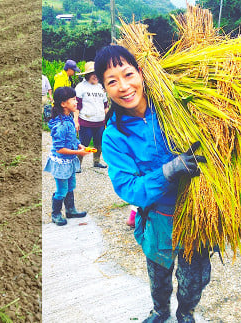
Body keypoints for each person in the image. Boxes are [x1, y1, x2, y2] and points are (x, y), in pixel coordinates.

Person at [95, 45, 210, 323]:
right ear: (104, 89)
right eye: (112, 81)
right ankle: (161, 312)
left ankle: (186, 312)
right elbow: (128, 188)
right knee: (159, 278)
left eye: (128, 74)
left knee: (195, 280)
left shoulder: (176, 109)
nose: (124, 86)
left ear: (142, 73)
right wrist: (170, 170)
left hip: (198, 215)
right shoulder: (114, 136)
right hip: (159, 220)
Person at [43, 87, 91, 226]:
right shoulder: (60, 125)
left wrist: (79, 145)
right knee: (61, 190)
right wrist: (78, 153)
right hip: (61, 162)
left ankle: (70, 210)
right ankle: (56, 213)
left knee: (71, 186)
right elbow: (60, 148)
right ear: (63, 104)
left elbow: (71, 139)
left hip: (69, 161)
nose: (76, 102)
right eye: (73, 100)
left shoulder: (68, 118)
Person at [75, 61, 109, 171]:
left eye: (96, 73)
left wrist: (107, 121)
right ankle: (78, 164)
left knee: (98, 143)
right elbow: (77, 106)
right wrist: (76, 121)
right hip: (86, 121)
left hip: (100, 122)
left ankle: (96, 161)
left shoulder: (101, 87)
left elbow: (105, 106)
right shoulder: (81, 87)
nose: (95, 76)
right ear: (87, 75)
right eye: (92, 73)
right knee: (83, 144)